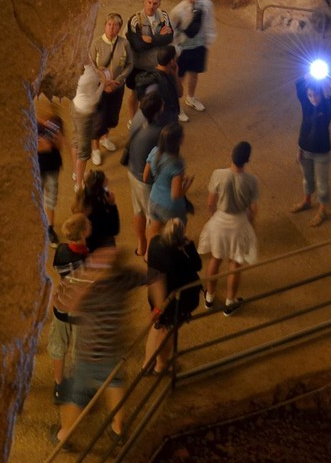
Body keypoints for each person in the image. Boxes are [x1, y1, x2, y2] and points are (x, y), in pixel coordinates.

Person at [55, 244, 147, 445]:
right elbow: (153, 276)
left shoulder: (92, 290)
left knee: (76, 395)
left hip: (88, 352)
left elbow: (64, 306)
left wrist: (86, 278)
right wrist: (158, 306)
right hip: (113, 348)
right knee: (115, 384)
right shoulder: (124, 278)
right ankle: (117, 428)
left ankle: (65, 434)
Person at [198, 141, 259, 315]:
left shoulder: (218, 174)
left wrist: (213, 219)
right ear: (247, 160)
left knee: (215, 259)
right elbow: (253, 209)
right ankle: (230, 302)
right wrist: (251, 225)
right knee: (235, 264)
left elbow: (210, 203)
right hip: (239, 223)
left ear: (232, 155)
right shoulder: (251, 181)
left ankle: (209, 297)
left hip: (220, 221)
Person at [143, 218, 201, 375]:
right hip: (174, 301)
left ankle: (147, 363)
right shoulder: (177, 253)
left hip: (156, 296)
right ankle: (160, 366)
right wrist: (189, 247)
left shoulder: (155, 242)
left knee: (157, 326)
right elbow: (197, 265)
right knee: (167, 331)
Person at [48, 213, 91, 403]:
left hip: (61, 304)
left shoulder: (61, 251)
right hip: (79, 309)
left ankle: (58, 385)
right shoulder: (86, 261)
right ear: (84, 232)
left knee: (58, 344)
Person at [290, 73, 331, 227]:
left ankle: (322, 211)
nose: (312, 98)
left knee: (322, 184)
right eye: (310, 95)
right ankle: (307, 201)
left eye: (315, 95)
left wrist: (327, 77)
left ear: (321, 94)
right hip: (304, 150)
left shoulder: (327, 106)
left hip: (322, 154)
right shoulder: (306, 104)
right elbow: (298, 84)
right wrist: (309, 74)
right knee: (307, 179)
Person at [125, 88, 164, 259]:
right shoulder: (157, 132)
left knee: (138, 210)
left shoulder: (138, 116)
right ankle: (149, 254)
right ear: (158, 110)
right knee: (153, 218)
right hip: (146, 181)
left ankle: (141, 246)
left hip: (132, 171)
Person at [90, 12, 132, 163]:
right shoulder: (96, 43)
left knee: (111, 116)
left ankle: (105, 138)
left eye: (115, 26)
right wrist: (105, 83)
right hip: (99, 88)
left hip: (117, 87)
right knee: (98, 118)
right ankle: (95, 149)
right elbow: (91, 67)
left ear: (120, 28)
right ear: (105, 26)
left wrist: (119, 81)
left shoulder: (124, 44)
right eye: (109, 24)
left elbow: (129, 64)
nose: (112, 28)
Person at [170, 0, 216, 115]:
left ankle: (190, 98)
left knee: (195, 74)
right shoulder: (177, 11)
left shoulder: (206, 5)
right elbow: (172, 31)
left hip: (199, 46)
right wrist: (175, 49)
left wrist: (207, 42)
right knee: (179, 78)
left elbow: (209, 23)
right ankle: (176, 106)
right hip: (183, 49)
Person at [126, 0, 174, 116]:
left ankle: (149, 118)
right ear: (144, 2)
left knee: (154, 94)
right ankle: (132, 119)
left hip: (156, 65)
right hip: (139, 66)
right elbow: (138, 46)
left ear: (159, 4)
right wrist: (159, 37)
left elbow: (169, 37)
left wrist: (151, 39)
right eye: (149, 2)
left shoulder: (163, 16)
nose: (151, 6)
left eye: (155, 3)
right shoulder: (135, 20)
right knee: (135, 94)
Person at [144, 123, 193, 238]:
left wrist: (162, 179)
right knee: (176, 235)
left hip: (153, 198)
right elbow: (175, 195)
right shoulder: (177, 163)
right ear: (177, 141)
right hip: (171, 207)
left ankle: (148, 254)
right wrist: (187, 185)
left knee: (154, 229)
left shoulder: (155, 151)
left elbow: (146, 177)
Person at [70, 59, 108, 192]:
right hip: (85, 114)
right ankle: (79, 185)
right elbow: (95, 98)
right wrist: (103, 81)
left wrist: (96, 70)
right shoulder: (85, 78)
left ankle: (76, 173)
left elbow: (91, 69)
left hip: (76, 106)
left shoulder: (80, 61)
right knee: (84, 152)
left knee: (76, 142)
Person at [37, 103, 65, 245]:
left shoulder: (56, 123)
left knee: (51, 198)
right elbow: (36, 147)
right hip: (38, 168)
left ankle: (50, 227)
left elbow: (61, 145)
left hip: (53, 167)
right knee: (36, 197)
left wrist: (56, 134)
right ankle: (36, 226)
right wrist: (44, 146)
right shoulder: (33, 125)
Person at [77, 167, 121, 253]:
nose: (108, 180)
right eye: (105, 179)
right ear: (99, 185)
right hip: (101, 242)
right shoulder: (98, 206)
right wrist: (112, 206)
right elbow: (114, 229)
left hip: (89, 242)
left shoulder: (84, 198)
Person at [150, 44, 183, 128]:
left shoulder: (152, 73)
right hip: (166, 121)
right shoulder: (166, 81)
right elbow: (179, 93)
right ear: (172, 61)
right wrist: (176, 75)